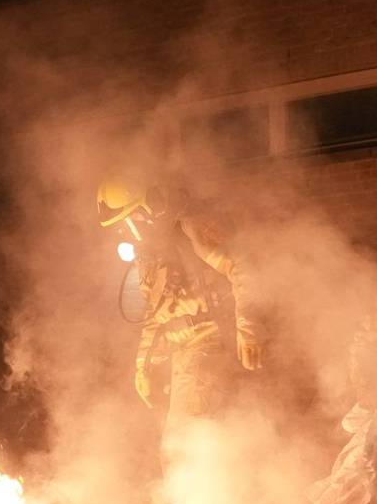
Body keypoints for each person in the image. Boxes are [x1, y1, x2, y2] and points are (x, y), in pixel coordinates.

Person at [96, 175, 263, 423]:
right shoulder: (148, 259)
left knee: (188, 439)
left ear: (151, 205)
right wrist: (143, 367)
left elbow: (241, 268)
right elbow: (154, 318)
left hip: (208, 342)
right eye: (122, 226)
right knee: (184, 443)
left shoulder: (190, 228)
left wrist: (248, 328)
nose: (129, 230)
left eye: (132, 219)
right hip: (181, 353)